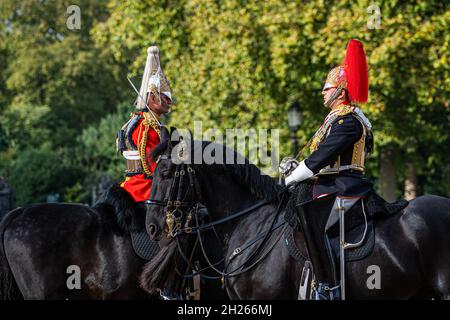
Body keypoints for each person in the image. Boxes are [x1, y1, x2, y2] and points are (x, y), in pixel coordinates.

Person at [282, 39, 374, 300]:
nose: (323, 93)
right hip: (330, 186)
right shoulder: (337, 119)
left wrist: (290, 179)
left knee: (314, 226)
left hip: (342, 188)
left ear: (341, 91)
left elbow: (319, 159)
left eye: (327, 89)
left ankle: (328, 288)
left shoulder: (348, 121)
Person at [117, 46, 173, 202]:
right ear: (153, 98)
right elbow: (152, 166)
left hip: (130, 184)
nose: (170, 101)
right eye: (165, 96)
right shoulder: (146, 126)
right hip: (144, 189)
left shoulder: (140, 120)